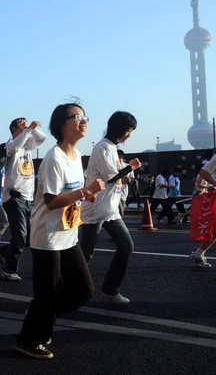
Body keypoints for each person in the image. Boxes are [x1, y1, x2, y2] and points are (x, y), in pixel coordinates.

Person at [15, 102, 103, 359]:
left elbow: (69, 195)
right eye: (76, 117)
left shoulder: (75, 157)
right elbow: (52, 200)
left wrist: (82, 197)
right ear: (61, 125)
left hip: (68, 233)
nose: (83, 120)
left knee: (83, 290)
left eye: (85, 116)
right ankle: (28, 340)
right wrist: (85, 192)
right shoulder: (54, 158)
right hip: (48, 237)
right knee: (47, 294)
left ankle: (39, 317)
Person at [79, 111, 141, 305]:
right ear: (118, 128)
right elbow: (111, 177)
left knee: (126, 246)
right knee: (85, 253)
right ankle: (62, 287)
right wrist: (130, 167)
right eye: (128, 130)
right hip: (95, 209)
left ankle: (110, 289)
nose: (129, 135)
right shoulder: (103, 148)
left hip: (110, 210)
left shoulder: (112, 148)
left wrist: (127, 170)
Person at [0, 117, 47, 281]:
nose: (25, 125)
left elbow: (42, 138)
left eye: (26, 122)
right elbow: (15, 146)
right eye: (21, 124)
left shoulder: (27, 145)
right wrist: (28, 129)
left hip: (27, 198)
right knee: (20, 236)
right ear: (14, 129)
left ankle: (4, 251)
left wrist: (32, 129)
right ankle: (8, 270)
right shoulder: (9, 145)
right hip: (13, 197)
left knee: (30, 237)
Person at [117, 149, 134, 215]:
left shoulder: (128, 167)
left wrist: (128, 180)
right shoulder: (112, 166)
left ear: (121, 157)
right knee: (118, 211)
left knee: (120, 213)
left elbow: (132, 179)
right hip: (113, 192)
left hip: (123, 193)